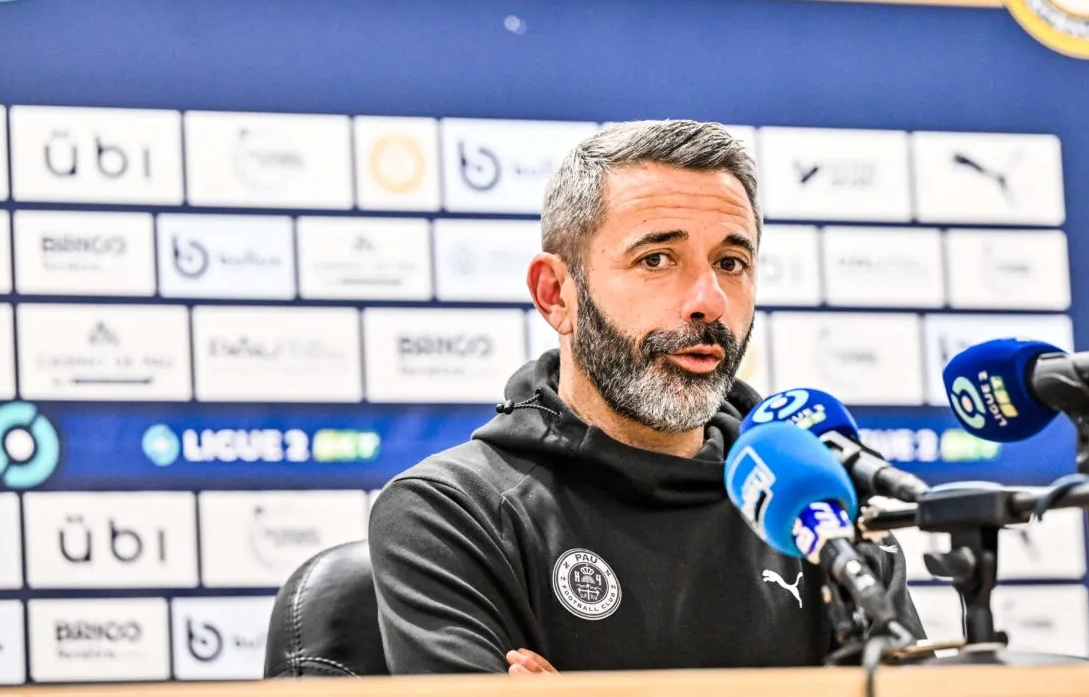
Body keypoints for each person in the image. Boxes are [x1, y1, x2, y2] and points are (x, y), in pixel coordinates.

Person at [367, 119, 924, 675]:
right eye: (656, 259)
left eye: (730, 263)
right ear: (556, 294)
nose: (709, 300)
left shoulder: (819, 503)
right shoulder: (449, 513)